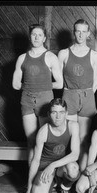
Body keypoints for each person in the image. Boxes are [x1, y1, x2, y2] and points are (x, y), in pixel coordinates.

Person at [12, 24, 63, 165]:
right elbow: (16, 85)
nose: (36, 37)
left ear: (44, 38)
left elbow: (59, 83)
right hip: (27, 100)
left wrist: (42, 86)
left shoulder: (51, 57)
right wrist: (30, 86)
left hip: (45, 100)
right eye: (34, 34)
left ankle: (47, 176)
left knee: (45, 139)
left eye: (39, 35)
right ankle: (32, 178)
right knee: (31, 140)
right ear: (30, 37)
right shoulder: (22, 58)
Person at [17, 98, 80, 193]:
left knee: (73, 169)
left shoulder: (73, 126)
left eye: (61, 112)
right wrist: (29, 189)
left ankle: (65, 188)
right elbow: (35, 161)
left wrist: (53, 165)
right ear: (49, 114)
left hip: (62, 166)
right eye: (54, 112)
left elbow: (75, 154)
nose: (58, 116)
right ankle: (53, 181)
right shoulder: (43, 132)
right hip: (45, 168)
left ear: (66, 113)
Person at [58, 19, 97, 172]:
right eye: (78, 31)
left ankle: (81, 173)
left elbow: (95, 83)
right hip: (69, 96)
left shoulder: (94, 55)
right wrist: (71, 94)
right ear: (74, 32)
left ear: (88, 34)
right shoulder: (63, 53)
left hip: (87, 96)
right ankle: (66, 172)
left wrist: (85, 96)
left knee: (83, 139)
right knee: (68, 137)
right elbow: (59, 80)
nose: (81, 34)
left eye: (84, 31)